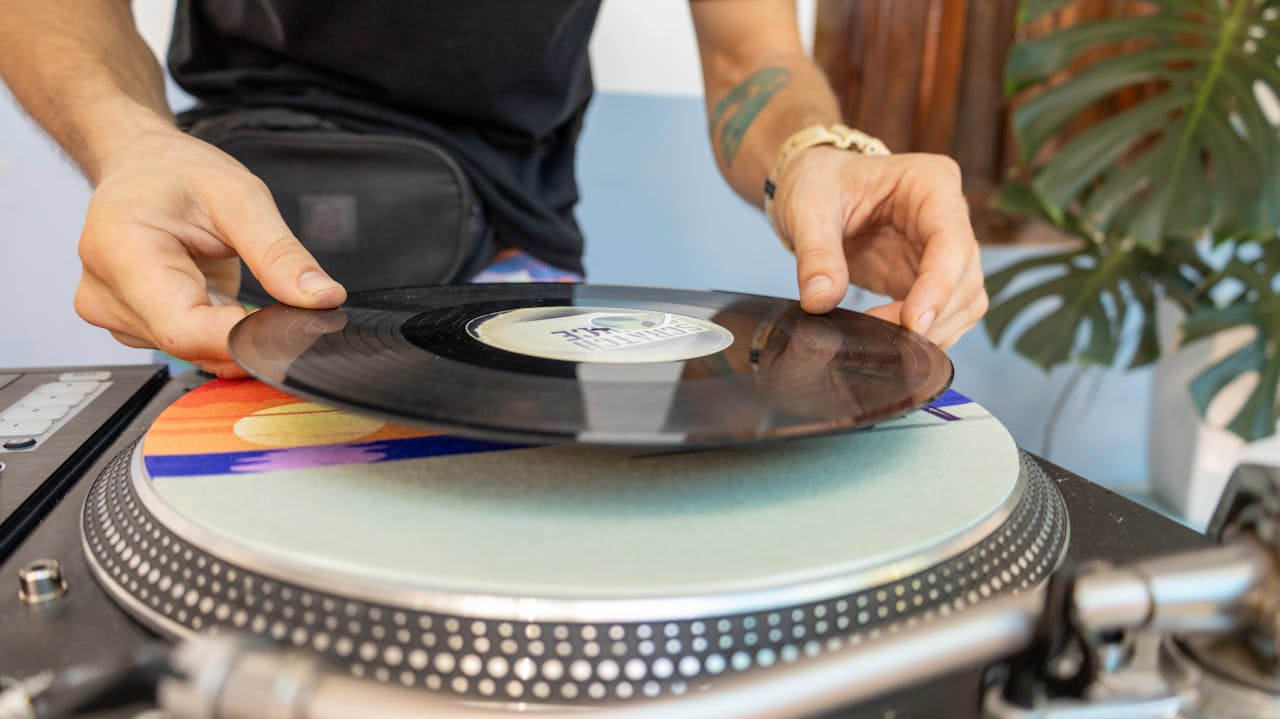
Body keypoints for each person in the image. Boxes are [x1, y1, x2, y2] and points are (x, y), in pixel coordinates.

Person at [0, 1, 986, 378]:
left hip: (525, 281)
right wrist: (129, 144)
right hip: (232, 257)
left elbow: (750, 52)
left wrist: (815, 154)